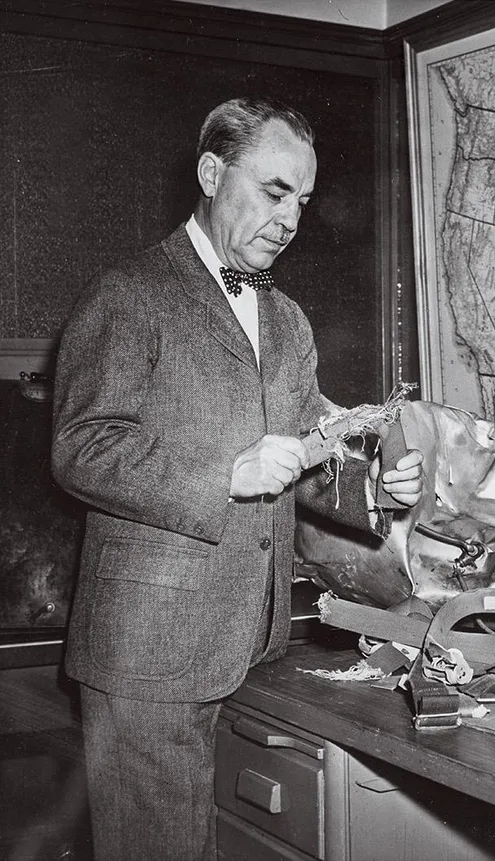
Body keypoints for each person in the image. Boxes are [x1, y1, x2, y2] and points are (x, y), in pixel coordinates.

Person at [51, 96, 423, 861]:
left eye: (305, 201)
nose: (290, 219)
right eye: (274, 191)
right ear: (212, 172)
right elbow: (82, 446)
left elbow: (304, 459)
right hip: (146, 655)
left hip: (251, 643)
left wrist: (377, 484)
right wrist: (227, 472)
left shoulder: (286, 321)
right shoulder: (129, 294)